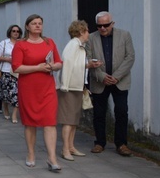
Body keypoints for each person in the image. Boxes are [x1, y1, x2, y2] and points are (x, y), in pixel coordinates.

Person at [12, 14, 63, 172]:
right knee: (30, 122)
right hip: (28, 88)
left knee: (50, 122)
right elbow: (17, 67)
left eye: (40, 23)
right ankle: (31, 153)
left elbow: (59, 62)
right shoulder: (21, 45)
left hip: (47, 87)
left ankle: (52, 157)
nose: (37, 26)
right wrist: (37, 68)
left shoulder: (49, 42)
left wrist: (53, 67)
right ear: (27, 27)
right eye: (34, 23)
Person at [86, 11, 135, 156]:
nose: (102, 28)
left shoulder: (124, 35)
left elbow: (130, 57)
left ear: (112, 23)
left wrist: (116, 76)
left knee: (121, 111)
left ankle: (121, 144)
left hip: (120, 81)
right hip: (99, 81)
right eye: (99, 26)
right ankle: (100, 142)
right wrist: (101, 76)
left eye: (106, 25)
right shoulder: (90, 38)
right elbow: (87, 60)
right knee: (99, 113)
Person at [58, 20, 96, 160]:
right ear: (81, 32)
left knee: (73, 119)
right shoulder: (73, 45)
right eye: (87, 31)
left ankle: (71, 147)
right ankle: (65, 149)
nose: (88, 34)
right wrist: (64, 86)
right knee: (68, 120)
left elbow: (76, 65)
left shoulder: (80, 45)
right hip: (70, 88)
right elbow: (67, 64)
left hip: (77, 86)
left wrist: (88, 66)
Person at [0, 25, 21, 123]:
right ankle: (5, 107)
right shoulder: (4, 43)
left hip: (18, 72)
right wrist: (8, 59)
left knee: (17, 94)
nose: (16, 33)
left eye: (18, 31)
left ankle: (14, 114)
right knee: (5, 94)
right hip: (6, 71)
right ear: (10, 32)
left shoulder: (21, 43)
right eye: (13, 31)